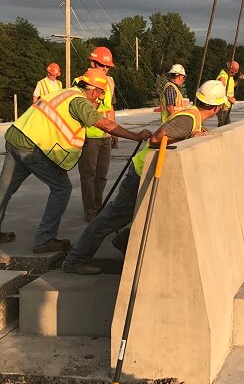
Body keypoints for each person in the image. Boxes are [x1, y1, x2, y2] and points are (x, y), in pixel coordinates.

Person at [62, 80, 227, 274]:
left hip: (149, 172)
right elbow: (157, 138)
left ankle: (124, 240)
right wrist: (191, 137)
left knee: (156, 214)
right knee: (112, 218)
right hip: (142, 173)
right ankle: (76, 259)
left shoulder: (193, 117)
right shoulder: (189, 119)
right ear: (217, 107)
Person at [0, 68, 151, 252]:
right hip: (33, 147)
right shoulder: (79, 102)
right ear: (93, 90)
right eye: (100, 93)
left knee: (4, 189)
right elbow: (104, 123)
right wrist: (135, 136)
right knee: (62, 188)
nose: (100, 98)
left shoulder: (65, 92)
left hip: (16, 137)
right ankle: (45, 239)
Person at [76, 47, 118, 223]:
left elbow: (110, 107)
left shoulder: (109, 82)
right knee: (89, 175)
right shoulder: (80, 82)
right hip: (89, 136)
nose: (105, 69)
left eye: (108, 66)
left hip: (105, 135)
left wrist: (115, 131)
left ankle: (98, 206)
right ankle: (90, 211)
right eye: (102, 65)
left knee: (101, 174)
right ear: (93, 63)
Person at [217, 61, 243, 127]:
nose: (233, 74)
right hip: (223, 106)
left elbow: (232, 85)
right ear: (227, 68)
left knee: (226, 125)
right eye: (232, 72)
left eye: (235, 73)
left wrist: (238, 80)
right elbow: (220, 92)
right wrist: (229, 98)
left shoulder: (229, 76)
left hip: (227, 105)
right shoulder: (222, 77)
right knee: (223, 125)